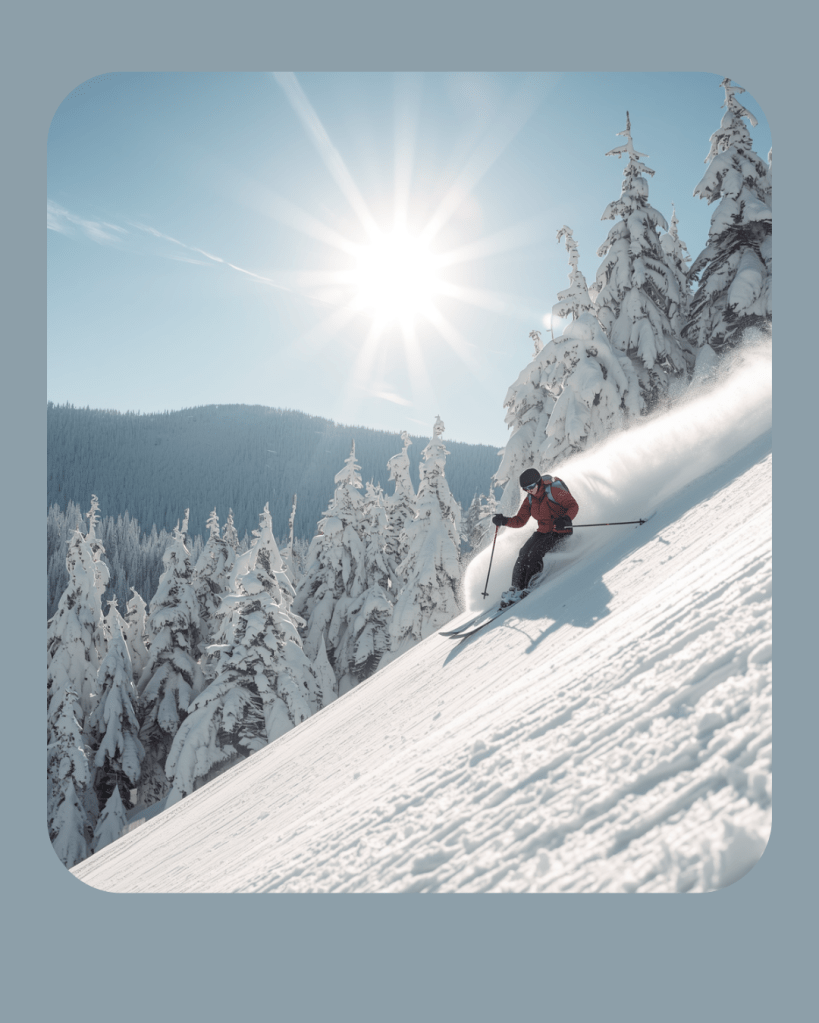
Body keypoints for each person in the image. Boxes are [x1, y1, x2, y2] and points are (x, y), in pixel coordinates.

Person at [492, 468, 579, 607]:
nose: (529, 490)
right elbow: (520, 520)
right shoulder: (530, 499)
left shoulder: (554, 491)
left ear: (538, 482)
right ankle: (516, 587)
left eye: (531, 486)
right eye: (525, 488)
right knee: (523, 552)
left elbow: (573, 506)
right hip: (543, 530)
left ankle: (530, 584)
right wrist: (504, 521)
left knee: (534, 553)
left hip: (560, 530)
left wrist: (566, 519)